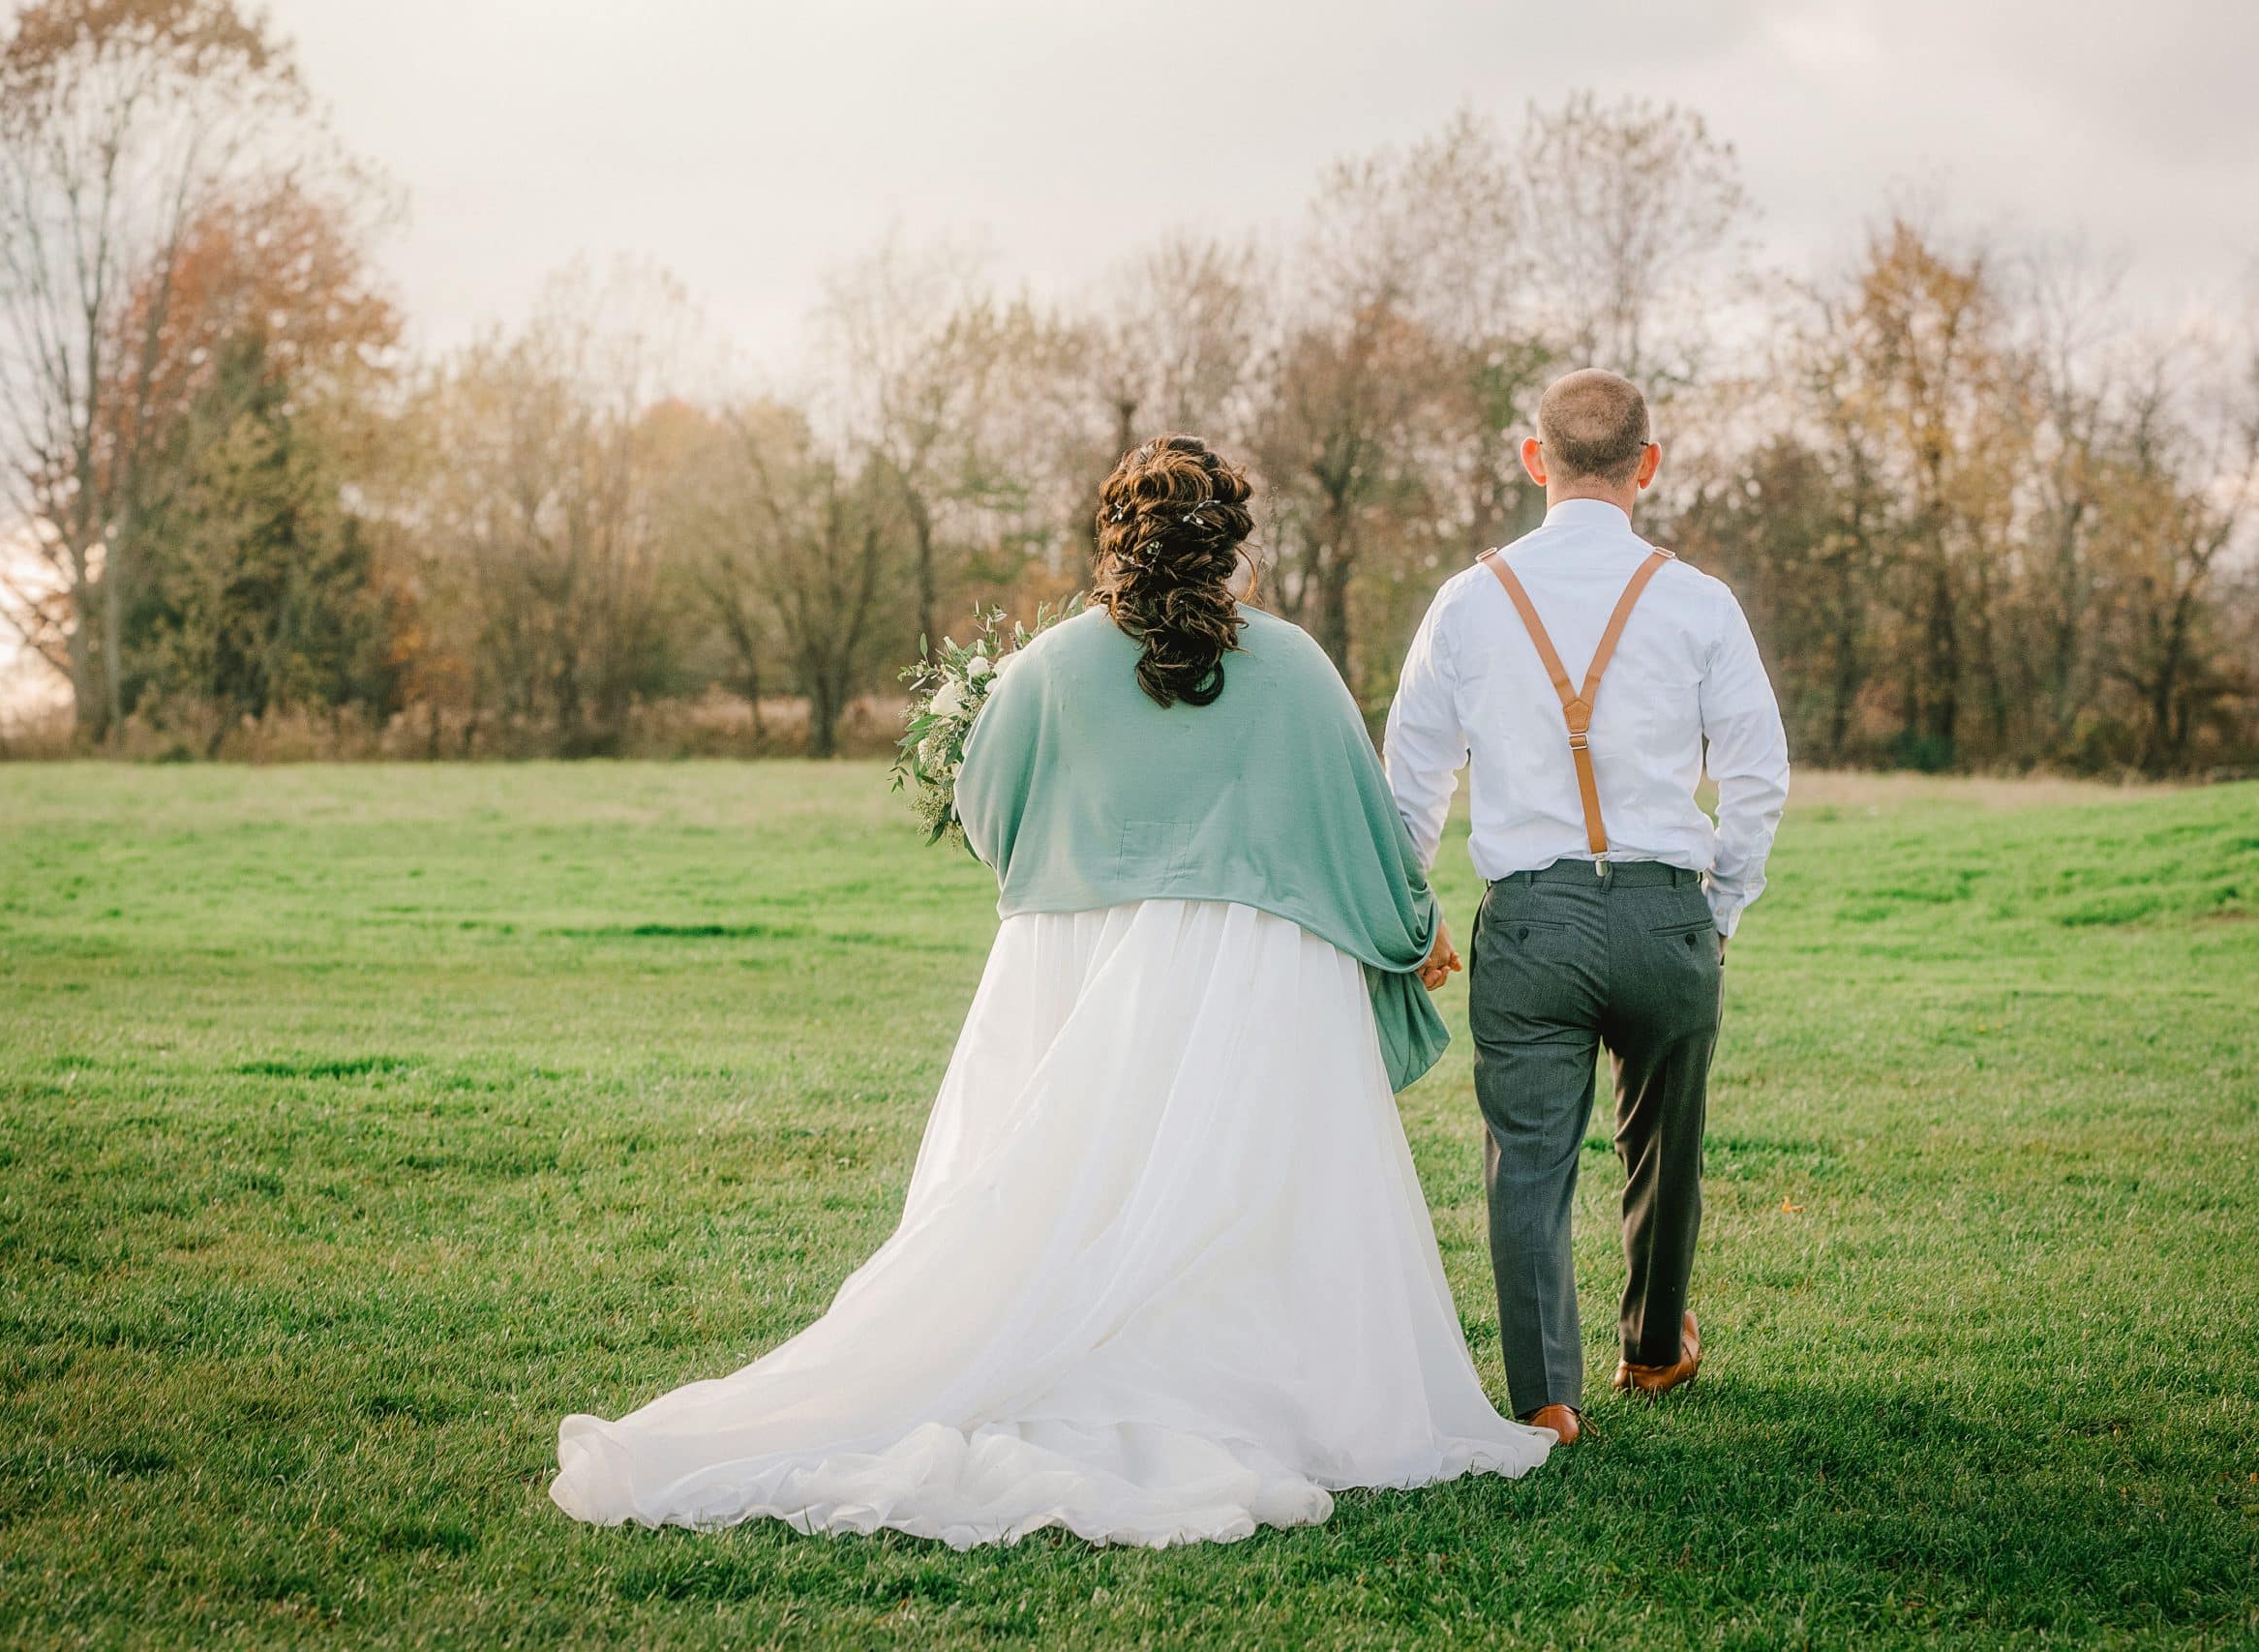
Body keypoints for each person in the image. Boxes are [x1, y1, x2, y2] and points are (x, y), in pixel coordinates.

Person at [550, 436, 1551, 1549]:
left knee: (1070, 1178)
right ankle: (1255, 1388)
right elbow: (1362, 837)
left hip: (1081, 967)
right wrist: (1410, 937)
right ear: (1230, 548)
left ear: (1113, 541)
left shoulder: (1048, 669)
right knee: (1247, 1186)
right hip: (1258, 981)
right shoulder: (1299, 669)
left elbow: (991, 818)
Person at [1384, 370, 1790, 1447]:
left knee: (1527, 1157)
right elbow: (1758, 772)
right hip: (1665, 915)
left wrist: (1407, 907)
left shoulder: (1468, 601)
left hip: (1527, 924)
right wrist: (1722, 910)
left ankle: (1547, 1400)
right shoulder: (1699, 600)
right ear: (1646, 466)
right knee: (1668, 1142)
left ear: (1535, 459)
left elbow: (1409, 780)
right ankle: (1654, 1352)